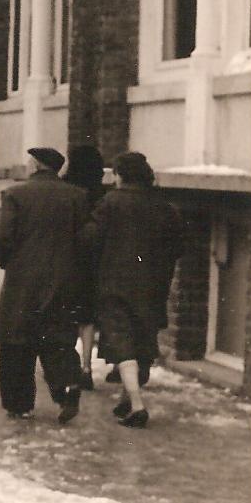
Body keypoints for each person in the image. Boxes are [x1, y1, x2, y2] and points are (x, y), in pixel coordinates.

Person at [79, 152, 184, 429]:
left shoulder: (111, 202)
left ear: (120, 175)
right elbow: (178, 246)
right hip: (153, 285)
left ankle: (136, 404)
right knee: (142, 340)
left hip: (115, 283)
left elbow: (90, 239)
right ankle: (126, 399)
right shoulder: (164, 206)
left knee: (122, 342)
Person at [0, 146, 89, 423]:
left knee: (17, 342)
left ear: (34, 165)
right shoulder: (77, 196)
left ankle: (19, 403)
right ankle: (67, 386)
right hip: (63, 279)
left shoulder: (16, 194)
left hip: (22, 281)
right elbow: (85, 239)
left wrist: (8, 262)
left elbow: (2, 236)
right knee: (57, 338)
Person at [62, 145, 109, 388]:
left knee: (65, 316)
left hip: (68, 260)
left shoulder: (66, 192)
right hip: (93, 262)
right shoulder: (102, 195)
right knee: (87, 317)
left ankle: (67, 365)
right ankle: (86, 366)